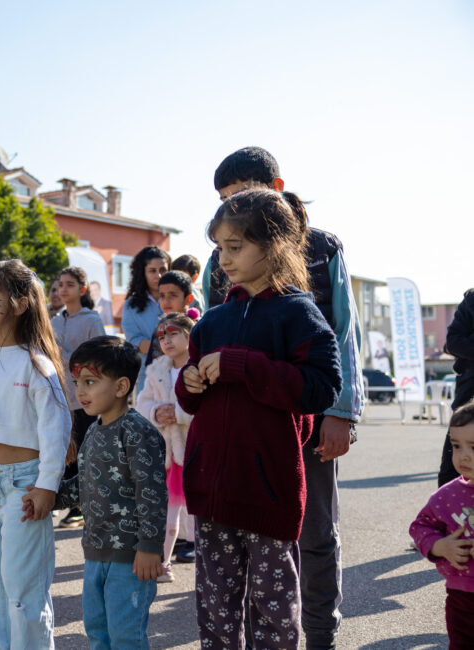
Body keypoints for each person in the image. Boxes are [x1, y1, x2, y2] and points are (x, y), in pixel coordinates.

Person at [205, 147, 363, 649]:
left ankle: (319, 636)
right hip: (248, 423)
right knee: (251, 536)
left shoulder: (323, 247)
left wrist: (340, 413)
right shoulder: (218, 258)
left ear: (274, 189)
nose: (232, 209)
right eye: (225, 200)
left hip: (312, 413)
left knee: (315, 531)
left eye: (242, 197)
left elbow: (344, 333)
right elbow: (210, 339)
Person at [178, 188, 342, 649]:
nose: (224, 259)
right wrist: (188, 384)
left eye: (236, 247)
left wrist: (241, 365)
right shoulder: (212, 321)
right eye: (219, 248)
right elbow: (194, 401)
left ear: (273, 247)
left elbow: (321, 387)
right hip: (212, 493)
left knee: (273, 611)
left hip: (268, 496)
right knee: (214, 610)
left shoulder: (299, 313)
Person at [0, 259, 71, 650]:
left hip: (26, 484)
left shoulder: (36, 363)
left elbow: (56, 429)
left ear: (21, 303)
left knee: (23, 585)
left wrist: (46, 486)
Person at [55, 336, 167, 649]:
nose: (80, 391)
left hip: (132, 556)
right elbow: (83, 484)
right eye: (77, 381)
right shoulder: (93, 429)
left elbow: (152, 493)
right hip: (95, 551)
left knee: (125, 635)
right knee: (97, 631)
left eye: (90, 381)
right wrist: (49, 498)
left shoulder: (137, 431)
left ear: (120, 387)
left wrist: (150, 546)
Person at [136, 313, 196, 583]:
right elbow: (142, 403)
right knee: (168, 512)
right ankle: (163, 562)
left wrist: (181, 415)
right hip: (167, 452)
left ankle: (209, 564)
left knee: (198, 512)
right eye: (161, 337)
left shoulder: (198, 367)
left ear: (189, 333)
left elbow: (208, 406)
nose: (166, 340)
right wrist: (156, 413)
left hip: (195, 448)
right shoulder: (157, 370)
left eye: (172, 333)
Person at [409, 401, 474, 649]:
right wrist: (440, 546)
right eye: (457, 446)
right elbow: (420, 527)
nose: (463, 455)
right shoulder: (447, 496)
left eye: (473, 446)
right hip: (462, 598)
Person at [50, 265, 103, 529]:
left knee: (85, 451)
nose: (63, 289)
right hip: (59, 398)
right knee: (65, 452)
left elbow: (101, 358)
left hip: (86, 399)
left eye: (69, 284)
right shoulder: (54, 321)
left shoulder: (91, 320)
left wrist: (67, 354)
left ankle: (83, 506)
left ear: (82, 289)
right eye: (60, 284)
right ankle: (67, 502)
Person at [121, 246, 170, 396]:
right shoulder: (131, 306)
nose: (159, 275)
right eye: (152, 270)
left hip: (177, 373)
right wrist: (168, 346)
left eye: (163, 269)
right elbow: (133, 340)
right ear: (142, 273)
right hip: (147, 376)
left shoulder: (179, 298)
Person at [441, 289, 474, 486]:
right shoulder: (472, 300)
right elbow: (453, 342)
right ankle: (445, 517)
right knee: (450, 474)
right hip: (469, 397)